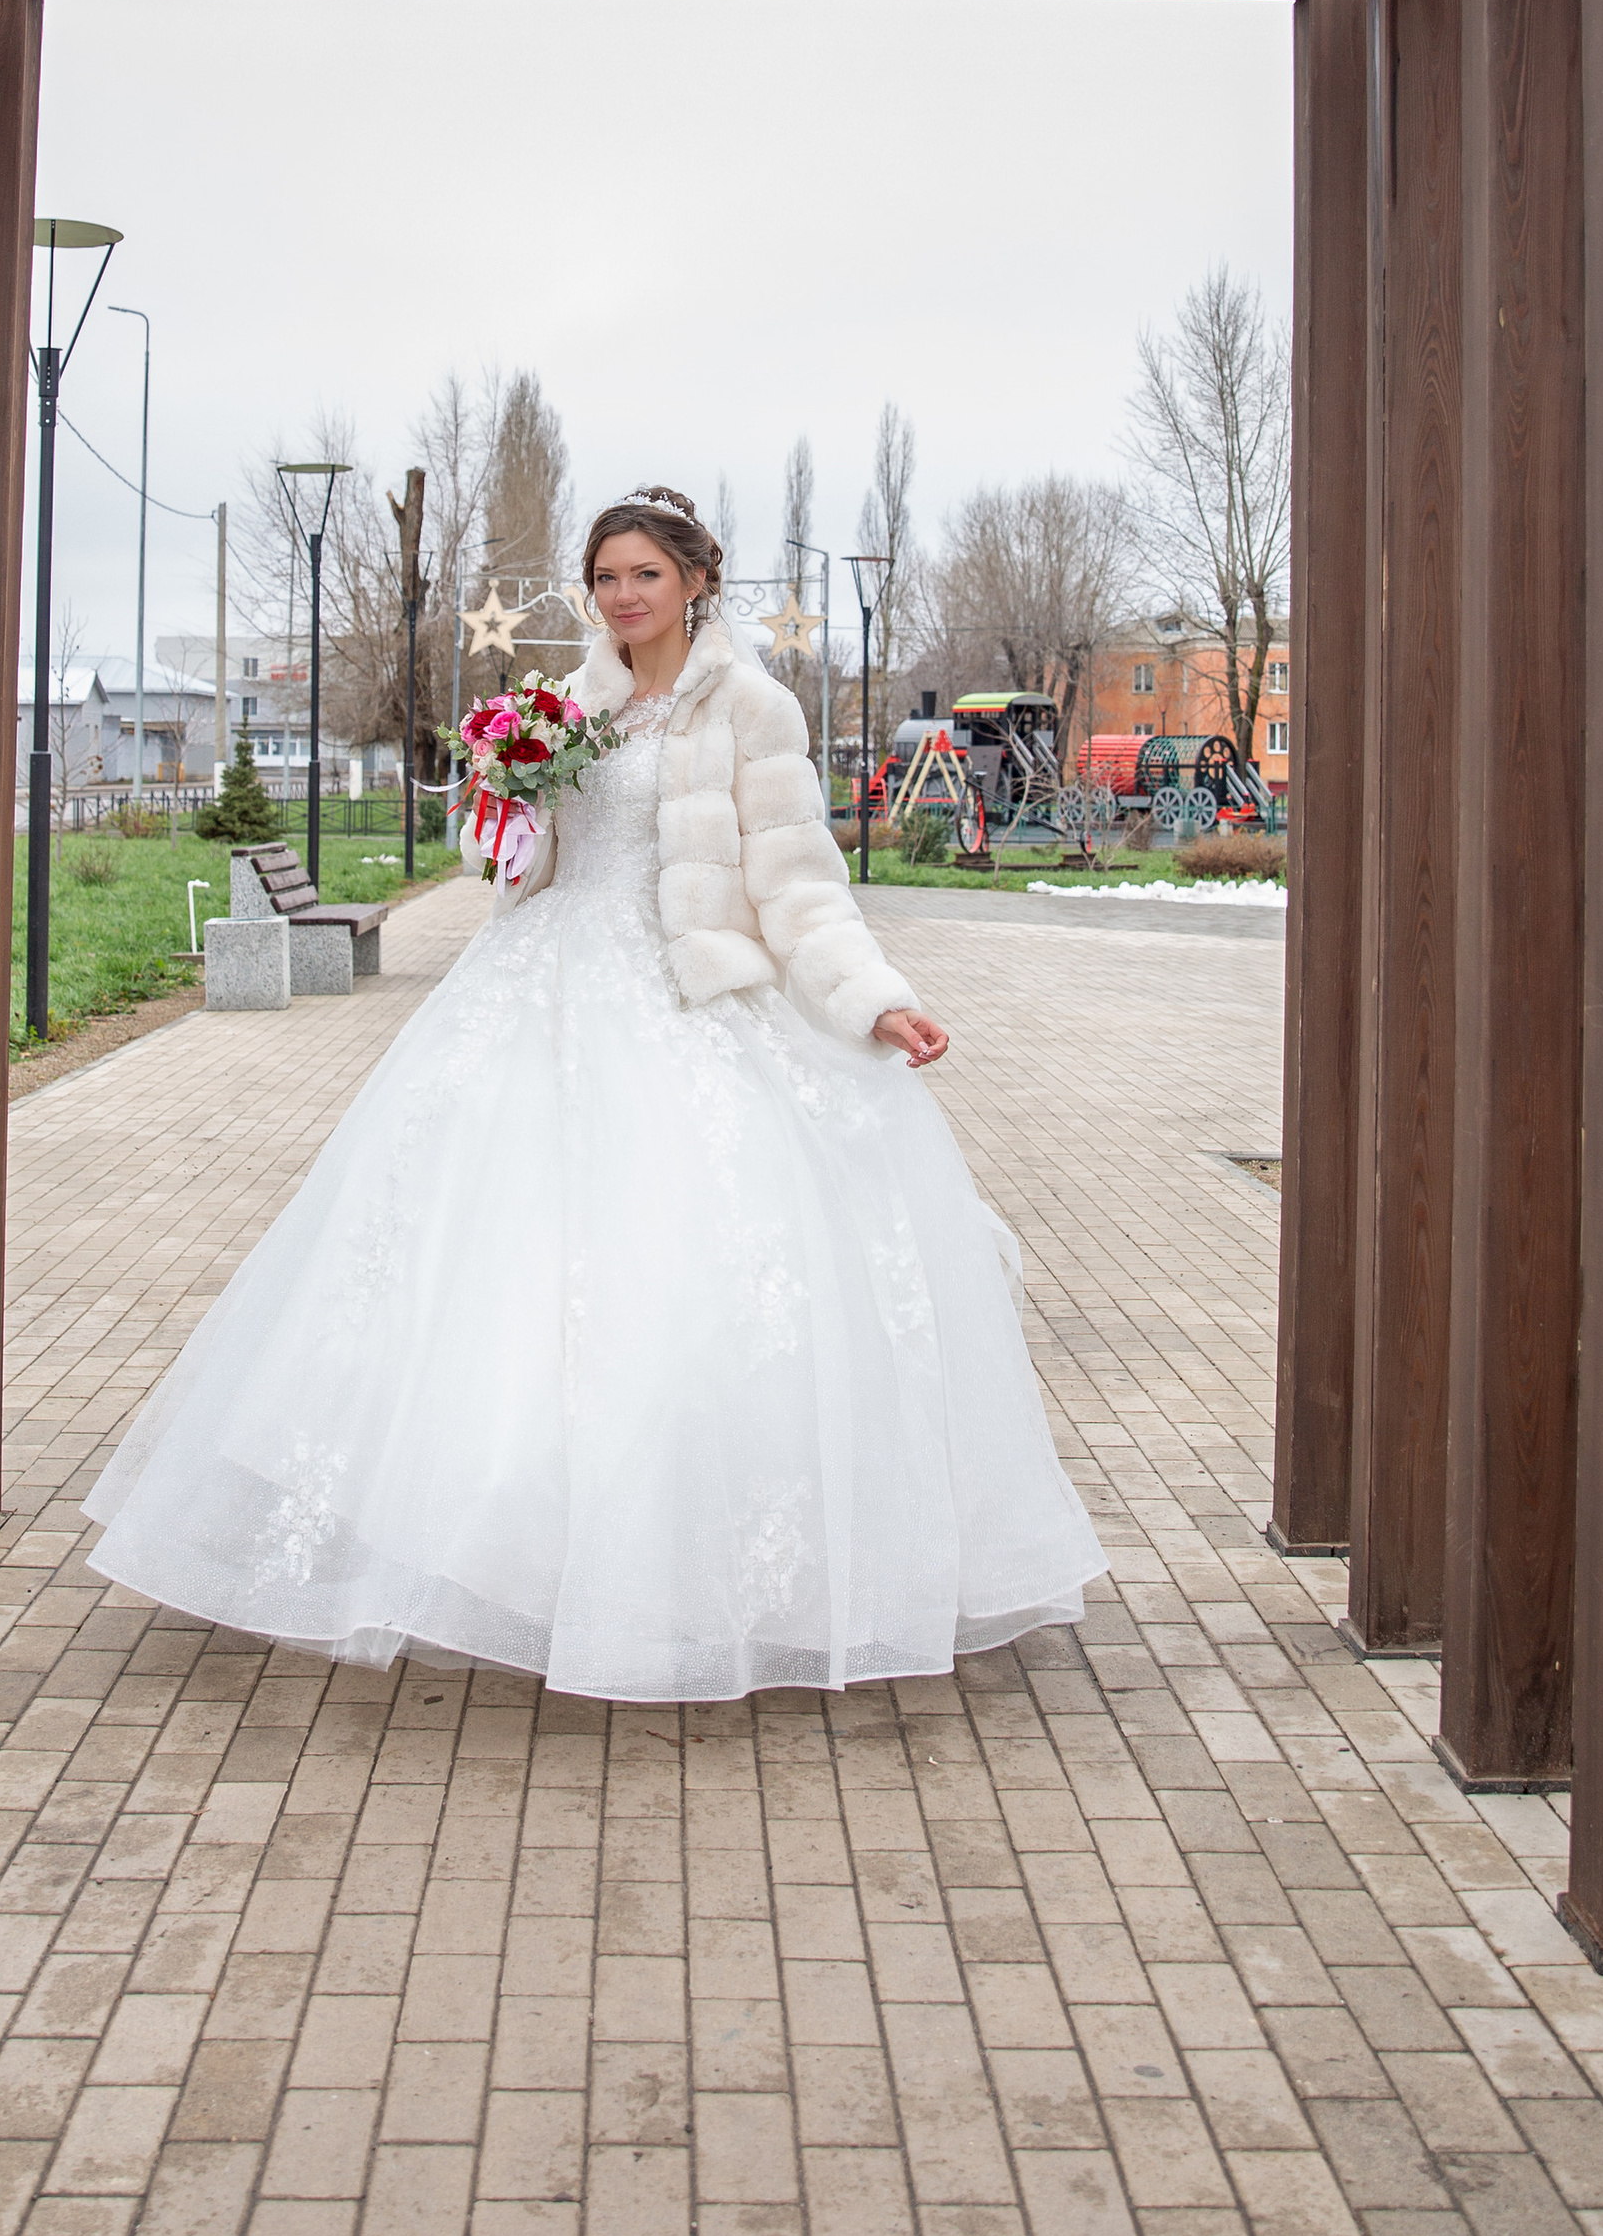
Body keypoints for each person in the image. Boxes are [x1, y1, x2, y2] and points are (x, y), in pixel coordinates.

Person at [86, 485, 1105, 1700]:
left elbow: (798, 885)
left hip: (679, 992)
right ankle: (470, 1540)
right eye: (606, 577)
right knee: (466, 1255)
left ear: (692, 583)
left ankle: (666, 1561)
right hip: (532, 982)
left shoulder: (752, 708)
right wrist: (497, 797)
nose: (624, 597)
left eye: (646, 576)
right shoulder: (568, 702)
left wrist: (870, 995)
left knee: (679, 1267)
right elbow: (506, 862)